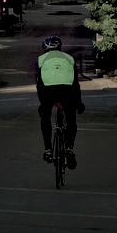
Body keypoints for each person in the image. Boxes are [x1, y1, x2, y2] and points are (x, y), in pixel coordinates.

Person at [36, 36, 85, 169]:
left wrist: (43, 104)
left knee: (45, 118)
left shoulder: (40, 60)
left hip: (48, 92)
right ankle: (69, 148)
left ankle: (48, 149)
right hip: (67, 91)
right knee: (71, 120)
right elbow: (75, 83)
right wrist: (78, 102)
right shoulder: (69, 58)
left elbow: (39, 84)